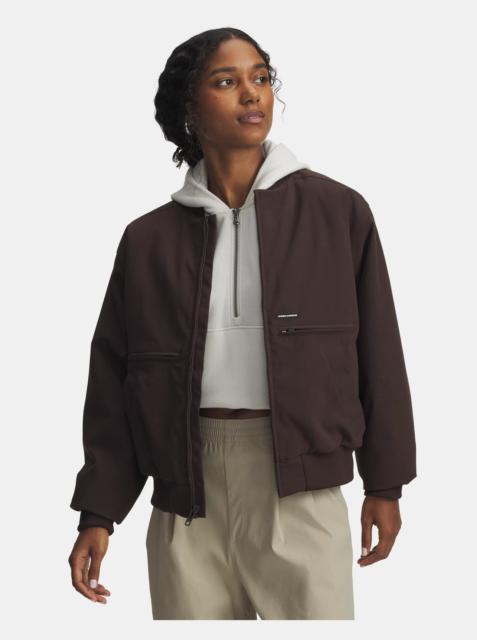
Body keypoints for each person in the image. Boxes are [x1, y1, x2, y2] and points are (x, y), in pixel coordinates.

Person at [68, 27, 417, 620]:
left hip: (300, 491)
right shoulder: (147, 240)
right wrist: (98, 512)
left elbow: (380, 355)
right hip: (185, 498)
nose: (252, 93)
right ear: (189, 109)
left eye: (260, 77)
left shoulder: (337, 213)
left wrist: (385, 483)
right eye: (226, 81)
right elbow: (114, 381)